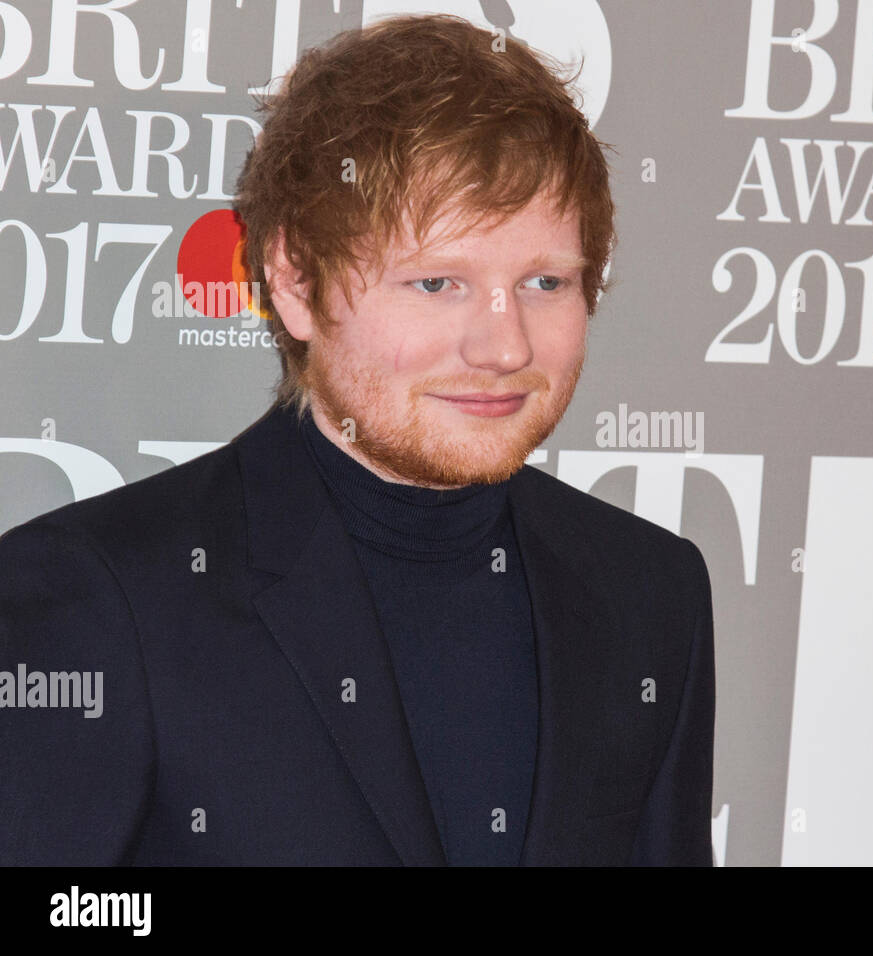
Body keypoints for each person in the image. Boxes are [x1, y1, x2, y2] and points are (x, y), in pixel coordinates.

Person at [0, 13, 714, 866]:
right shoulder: (98, 596)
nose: (506, 346)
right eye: (439, 281)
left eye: (544, 281)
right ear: (295, 282)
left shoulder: (649, 591)